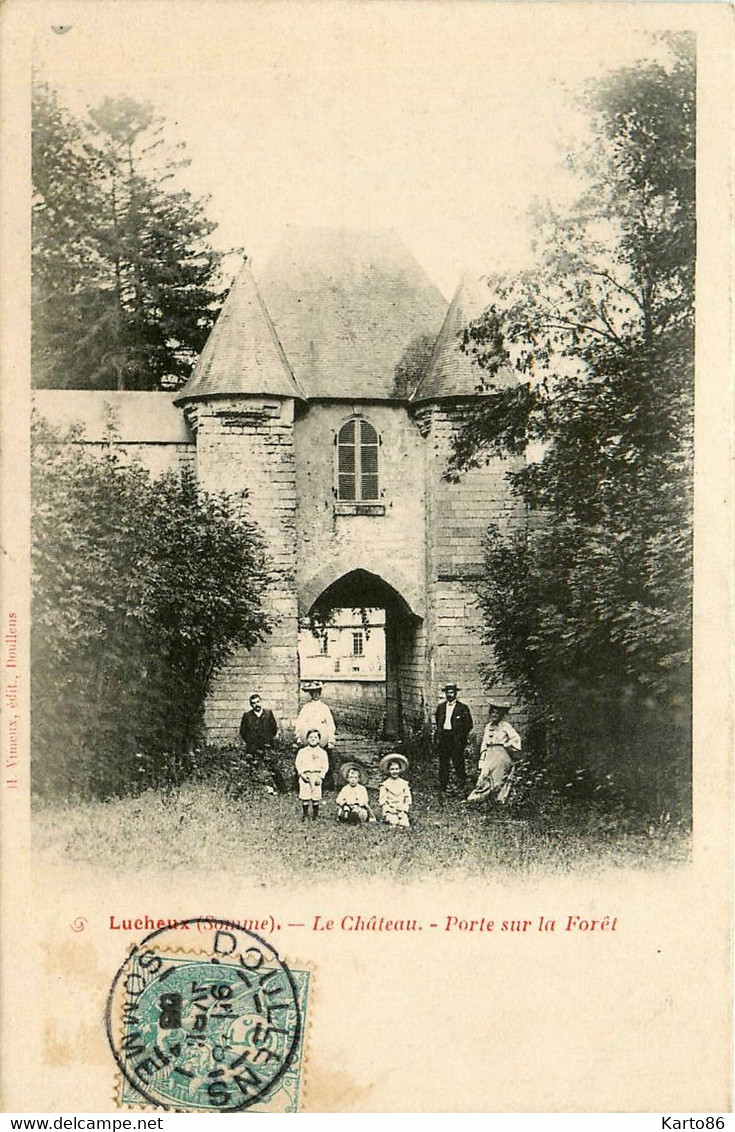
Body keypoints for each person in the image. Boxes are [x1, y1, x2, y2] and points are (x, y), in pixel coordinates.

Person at [466, 699, 522, 805]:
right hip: (489, 754)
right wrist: (482, 757)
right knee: (484, 776)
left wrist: (506, 745)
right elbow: (484, 743)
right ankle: (478, 799)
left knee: (498, 778)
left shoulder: (505, 726)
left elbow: (516, 738)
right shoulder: (488, 726)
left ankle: (497, 800)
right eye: (493, 712)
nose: (495, 715)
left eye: (497, 713)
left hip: (501, 755)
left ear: (501, 715)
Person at [238, 692, 283, 790]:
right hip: (252, 747)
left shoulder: (268, 713)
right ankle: (252, 789)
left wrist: (268, 739)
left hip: (267, 746)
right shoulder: (247, 716)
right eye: (253, 703)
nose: (256, 704)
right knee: (252, 768)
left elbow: (274, 729)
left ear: (261, 702)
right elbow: (243, 732)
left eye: (258, 702)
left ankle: (282, 789)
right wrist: (250, 742)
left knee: (273, 767)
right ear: (251, 705)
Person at [434, 683, 473, 793]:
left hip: (456, 738)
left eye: (452, 692)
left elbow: (469, 724)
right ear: (445, 694)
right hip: (444, 737)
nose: (450, 695)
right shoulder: (441, 707)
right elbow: (438, 721)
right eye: (448, 693)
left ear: (456, 693)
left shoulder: (462, 708)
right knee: (443, 762)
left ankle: (462, 784)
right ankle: (443, 785)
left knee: (458, 761)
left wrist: (461, 736)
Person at [294, 728, 329, 821]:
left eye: (315, 737)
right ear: (307, 739)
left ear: (318, 740)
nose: (313, 739)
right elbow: (298, 763)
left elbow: (325, 766)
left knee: (316, 796)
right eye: (310, 737)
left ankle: (315, 814)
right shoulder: (302, 752)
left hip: (316, 775)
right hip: (305, 776)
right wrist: (301, 774)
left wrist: (321, 776)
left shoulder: (322, 752)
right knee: (305, 795)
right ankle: (305, 814)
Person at [378, 754, 412, 828]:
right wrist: (389, 810)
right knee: (393, 822)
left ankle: (402, 818)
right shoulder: (385, 785)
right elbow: (383, 801)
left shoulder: (404, 783)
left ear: (400, 770)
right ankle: (389, 819)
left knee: (404, 824)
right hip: (390, 810)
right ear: (389, 770)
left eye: (396, 769)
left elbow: (407, 799)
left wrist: (403, 811)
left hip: (401, 809)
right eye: (392, 769)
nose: (394, 771)